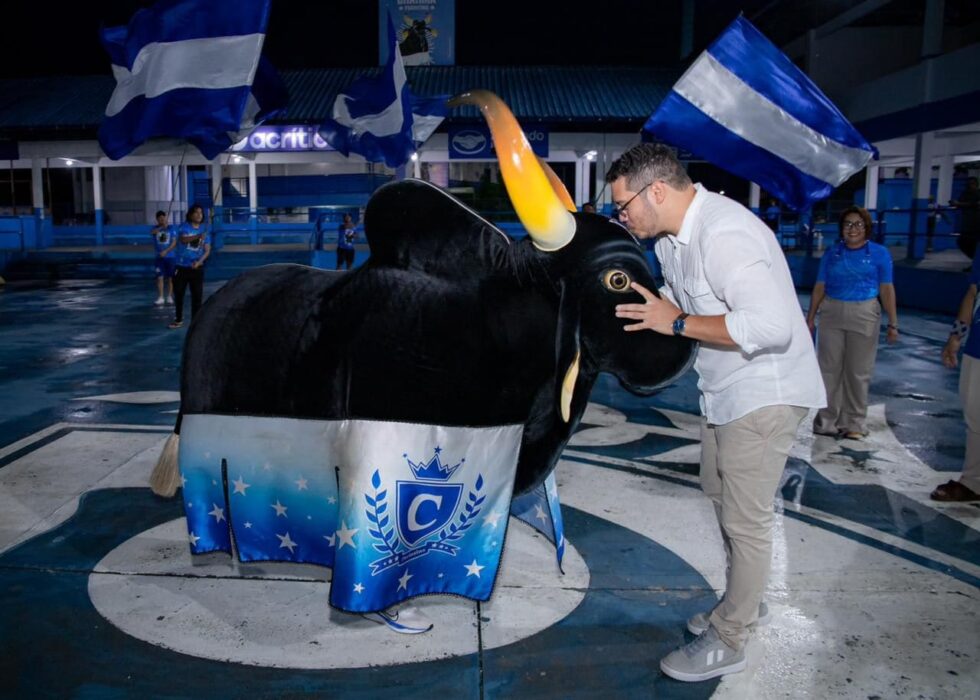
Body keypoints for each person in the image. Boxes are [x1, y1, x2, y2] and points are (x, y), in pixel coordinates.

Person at [606, 143, 825, 683]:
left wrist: (676, 323)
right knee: (720, 497)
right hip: (725, 391)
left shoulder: (724, 233)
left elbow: (769, 326)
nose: (622, 216)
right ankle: (742, 601)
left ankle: (731, 636)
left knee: (745, 520)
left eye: (623, 205)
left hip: (764, 391)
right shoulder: (671, 244)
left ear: (656, 190)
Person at [806, 206, 899, 440]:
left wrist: (893, 323)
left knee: (858, 371)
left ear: (867, 228)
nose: (853, 229)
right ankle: (826, 421)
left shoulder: (879, 254)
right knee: (829, 369)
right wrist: (810, 318)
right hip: (832, 313)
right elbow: (820, 287)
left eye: (858, 224)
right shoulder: (832, 253)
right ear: (841, 229)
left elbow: (887, 289)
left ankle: (854, 423)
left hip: (865, 312)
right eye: (848, 224)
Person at [932, 255, 980, 502]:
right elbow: (974, 292)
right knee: (974, 415)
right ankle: (973, 482)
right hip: (977, 348)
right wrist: (956, 337)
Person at [163, 204, 211, 329]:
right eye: (196, 212)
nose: (199, 215)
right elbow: (183, 240)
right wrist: (198, 236)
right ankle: (178, 319)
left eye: (201, 213)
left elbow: (207, 250)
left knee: (197, 297)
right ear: (190, 215)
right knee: (179, 294)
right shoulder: (183, 227)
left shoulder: (205, 230)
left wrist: (199, 262)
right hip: (181, 267)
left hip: (196, 268)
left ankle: (196, 322)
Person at [150, 210, 176, 305]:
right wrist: (161, 227)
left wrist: (166, 251)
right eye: (160, 219)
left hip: (170, 257)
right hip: (159, 257)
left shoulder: (171, 228)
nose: (162, 220)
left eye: (163, 218)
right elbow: (153, 232)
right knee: (159, 277)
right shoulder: (155, 229)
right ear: (157, 220)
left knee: (170, 278)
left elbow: (174, 243)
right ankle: (160, 297)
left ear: (166, 218)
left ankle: (169, 296)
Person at [951, 177, 979, 260]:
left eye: (970, 184)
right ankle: (975, 261)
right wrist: (957, 203)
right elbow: (960, 203)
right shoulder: (965, 193)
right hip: (968, 224)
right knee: (963, 242)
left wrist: (959, 203)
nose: (968, 186)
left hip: (975, 224)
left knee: (970, 242)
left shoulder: (977, 194)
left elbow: (974, 204)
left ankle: (975, 263)